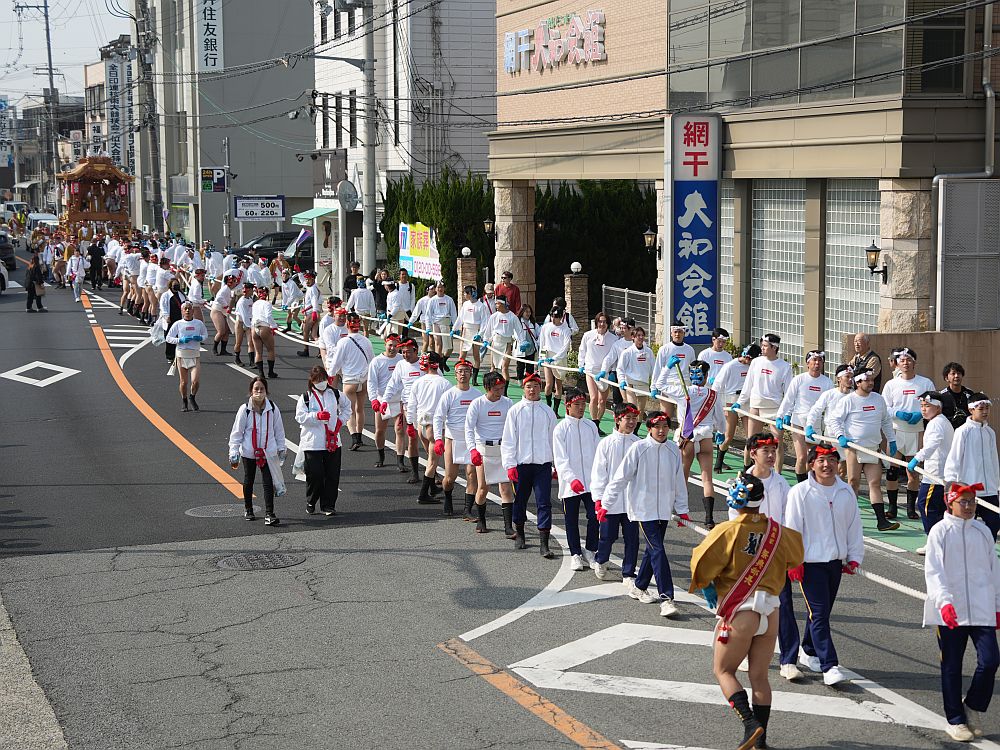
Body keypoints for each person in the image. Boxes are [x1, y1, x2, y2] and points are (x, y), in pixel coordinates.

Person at [688, 472, 804, 750]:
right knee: (760, 677)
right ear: (761, 499)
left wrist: (707, 585)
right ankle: (760, 742)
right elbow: (796, 555)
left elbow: (701, 564)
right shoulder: (779, 532)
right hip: (771, 611)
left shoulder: (728, 530)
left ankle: (750, 724)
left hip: (742, 610)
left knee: (723, 671)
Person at [923, 482, 1000, 743]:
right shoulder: (940, 531)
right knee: (951, 665)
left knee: (990, 660)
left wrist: (997, 606)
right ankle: (955, 719)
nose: (969, 507)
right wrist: (944, 602)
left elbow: (994, 570)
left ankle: (973, 705)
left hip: (981, 608)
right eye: (963, 502)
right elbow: (934, 572)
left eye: (972, 502)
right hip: (951, 610)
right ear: (950, 502)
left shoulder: (983, 532)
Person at [783, 444, 864, 686]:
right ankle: (830, 665)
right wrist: (793, 560)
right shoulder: (800, 492)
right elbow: (792, 527)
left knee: (821, 612)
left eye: (831, 460)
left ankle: (809, 650)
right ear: (811, 464)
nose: (827, 465)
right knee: (819, 614)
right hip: (810, 563)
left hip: (834, 562)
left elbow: (854, 525)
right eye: (821, 460)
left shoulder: (846, 492)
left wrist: (854, 556)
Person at [728, 433, 800, 684]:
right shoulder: (741, 482)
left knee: (784, 606)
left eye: (773, 451)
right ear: (752, 453)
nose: (770, 456)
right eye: (765, 451)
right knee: (749, 608)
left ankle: (789, 660)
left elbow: (790, 518)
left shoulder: (781, 483)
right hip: (750, 555)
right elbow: (734, 520)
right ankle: (745, 652)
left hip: (776, 554)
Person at [603, 411, 690, 618]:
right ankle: (667, 598)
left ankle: (640, 585)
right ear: (649, 428)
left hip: (663, 510)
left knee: (653, 551)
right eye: (657, 426)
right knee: (658, 550)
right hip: (643, 510)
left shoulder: (673, 449)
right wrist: (606, 503)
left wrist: (682, 509)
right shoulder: (639, 448)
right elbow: (621, 477)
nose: (661, 431)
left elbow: (679, 480)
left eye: (665, 426)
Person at [827, 369, 899, 531]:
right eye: (867, 380)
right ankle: (848, 520)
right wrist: (840, 436)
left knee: (874, 483)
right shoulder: (848, 400)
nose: (871, 383)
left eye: (872, 380)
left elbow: (886, 421)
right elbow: (834, 419)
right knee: (853, 482)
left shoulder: (878, 399)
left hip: (873, 448)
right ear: (858, 382)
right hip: (854, 448)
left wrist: (892, 439)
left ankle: (881, 521)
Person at [502, 372, 558, 550]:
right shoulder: (515, 411)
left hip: (543, 465)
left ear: (540, 388)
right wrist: (510, 464)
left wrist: (556, 464)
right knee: (520, 501)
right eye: (528, 386)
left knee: (544, 502)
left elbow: (554, 440)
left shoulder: (548, 412)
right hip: (522, 465)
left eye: (535, 386)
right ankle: (520, 533)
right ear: (523, 388)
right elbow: (509, 439)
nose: (532, 390)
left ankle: (544, 543)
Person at [881, 347, 936, 520]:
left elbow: (934, 403)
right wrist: (897, 413)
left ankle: (911, 508)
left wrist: (921, 414)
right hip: (896, 431)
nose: (905, 363)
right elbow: (884, 407)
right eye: (902, 360)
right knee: (892, 471)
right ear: (897, 363)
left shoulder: (925, 383)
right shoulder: (891, 385)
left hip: (916, 431)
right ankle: (892, 508)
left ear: (914, 362)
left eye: (909, 360)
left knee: (913, 472)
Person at [592, 402, 642, 586]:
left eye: (634, 418)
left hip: (631, 502)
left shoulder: (639, 444)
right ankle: (601, 559)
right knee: (608, 537)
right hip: (610, 502)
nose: (632, 422)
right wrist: (599, 499)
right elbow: (599, 473)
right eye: (628, 418)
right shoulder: (606, 444)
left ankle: (628, 573)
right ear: (617, 419)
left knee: (632, 540)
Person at [551, 386, 601, 568]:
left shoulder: (591, 426)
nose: (581, 408)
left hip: (591, 483)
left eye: (583, 404)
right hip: (570, 484)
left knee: (594, 516)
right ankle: (575, 554)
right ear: (567, 406)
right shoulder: (560, 429)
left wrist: (599, 479)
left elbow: (599, 455)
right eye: (577, 404)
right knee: (571, 519)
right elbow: (560, 459)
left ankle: (591, 550)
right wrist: (571, 479)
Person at [228, 377, 287, 526]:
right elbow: (237, 433)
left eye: (262, 389)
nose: (259, 392)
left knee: (268, 481)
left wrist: (281, 448)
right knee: (249, 479)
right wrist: (233, 451)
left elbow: (279, 430)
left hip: (268, 452)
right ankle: (248, 509)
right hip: (249, 452)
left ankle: (269, 513)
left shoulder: (272, 408)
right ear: (251, 391)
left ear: (266, 391)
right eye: (256, 389)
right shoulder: (245, 410)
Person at [294, 365, 352, 516]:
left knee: (332, 475)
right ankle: (311, 501)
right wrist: (316, 416)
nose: (321, 382)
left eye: (323, 379)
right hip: (312, 443)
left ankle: (328, 505)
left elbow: (348, 407)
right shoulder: (306, 398)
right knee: (315, 474)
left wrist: (340, 421)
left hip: (332, 441)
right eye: (317, 380)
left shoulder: (335, 394)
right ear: (312, 381)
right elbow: (300, 417)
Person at [676, 360, 725, 528]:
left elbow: (660, 384)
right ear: (706, 375)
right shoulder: (713, 394)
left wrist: (668, 368)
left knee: (683, 476)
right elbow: (720, 419)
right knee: (707, 479)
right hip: (706, 438)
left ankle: (682, 512)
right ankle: (709, 518)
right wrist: (721, 432)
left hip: (687, 438)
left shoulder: (683, 391)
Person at [944, 393, 1000, 540]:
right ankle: (964, 549)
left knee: (994, 523)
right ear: (971, 410)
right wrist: (951, 484)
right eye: (981, 409)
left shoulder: (990, 432)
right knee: (966, 524)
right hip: (969, 489)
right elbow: (954, 458)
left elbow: (994, 460)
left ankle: (987, 549)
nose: (985, 412)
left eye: (987, 408)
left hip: (989, 490)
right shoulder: (962, 431)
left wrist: (997, 485)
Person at [464, 371, 514, 534]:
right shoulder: (477, 404)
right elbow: (468, 428)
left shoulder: (508, 403)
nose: (500, 391)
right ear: (487, 387)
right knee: (483, 488)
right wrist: (472, 450)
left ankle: (508, 527)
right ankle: (482, 520)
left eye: (502, 388)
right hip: (483, 451)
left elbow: (514, 428)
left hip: (502, 450)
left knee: (505, 489)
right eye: (496, 389)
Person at [733, 334, 792, 471]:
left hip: (775, 409)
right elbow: (748, 385)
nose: (762, 348)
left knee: (777, 443)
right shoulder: (756, 362)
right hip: (756, 406)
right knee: (751, 441)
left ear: (774, 348)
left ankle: (777, 474)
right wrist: (740, 402)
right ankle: (747, 470)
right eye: (762, 345)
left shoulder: (784, 366)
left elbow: (789, 393)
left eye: (765, 346)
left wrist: (786, 413)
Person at [432, 358, 482, 517]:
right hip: (453, 439)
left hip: (472, 440)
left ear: (471, 374)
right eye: (460, 371)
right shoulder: (449, 394)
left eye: (466, 371)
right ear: (455, 374)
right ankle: (448, 497)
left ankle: (467, 510)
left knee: (472, 474)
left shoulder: (477, 395)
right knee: (449, 477)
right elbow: (438, 417)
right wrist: (438, 439)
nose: (463, 374)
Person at [909, 391, 955, 553]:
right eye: (922, 406)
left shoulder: (937, 423)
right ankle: (941, 541)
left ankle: (933, 540)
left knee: (926, 506)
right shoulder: (940, 421)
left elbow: (932, 445)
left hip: (935, 475)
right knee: (939, 509)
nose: (923, 409)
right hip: (939, 474)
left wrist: (917, 458)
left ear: (938, 407)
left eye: (927, 406)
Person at [777, 350, 833, 483]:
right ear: (808, 363)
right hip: (798, 421)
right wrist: (781, 415)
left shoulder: (827, 382)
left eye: (820, 361)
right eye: (814, 360)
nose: (817, 363)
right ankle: (800, 485)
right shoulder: (799, 379)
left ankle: (807, 482)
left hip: (815, 424)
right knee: (801, 457)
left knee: (811, 459)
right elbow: (788, 399)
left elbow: (830, 406)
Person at [407, 351, 453, 504]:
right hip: (435, 427)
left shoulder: (418, 382)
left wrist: (410, 424)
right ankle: (423, 495)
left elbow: (411, 405)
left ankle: (432, 488)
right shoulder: (444, 383)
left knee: (430, 459)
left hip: (421, 424)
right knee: (432, 462)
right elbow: (450, 407)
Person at [326, 312, 374, 450]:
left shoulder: (343, 342)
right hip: (363, 379)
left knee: (349, 410)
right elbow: (372, 361)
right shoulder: (366, 341)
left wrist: (330, 374)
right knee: (360, 409)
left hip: (350, 380)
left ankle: (354, 438)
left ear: (347, 324)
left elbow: (336, 363)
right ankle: (360, 436)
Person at [380, 338, 423, 481]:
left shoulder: (425, 364)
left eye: (408, 352)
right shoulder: (401, 365)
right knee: (412, 440)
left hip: (425, 408)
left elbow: (438, 381)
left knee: (428, 441)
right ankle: (415, 473)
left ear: (416, 351)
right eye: (403, 352)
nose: (405, 355)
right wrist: (385, 400)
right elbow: (392, 384)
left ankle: (432, 472)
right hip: (408, 407)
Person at [712, 344, 759, 472]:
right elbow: (717, 385)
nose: (749, 362)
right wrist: (716, 404)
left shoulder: (754, 367)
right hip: (731, 401)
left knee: (751, 437)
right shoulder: (730, 366)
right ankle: (719, 461)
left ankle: (747, 467)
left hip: (747, 401)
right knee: (728, 436)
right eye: (748, 358)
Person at [368, 332, 405, 469]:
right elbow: (371, 382)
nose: (392, 348)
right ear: (385, 344)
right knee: (379, 431)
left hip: (398, 400)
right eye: (390, 345)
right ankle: (381, 456)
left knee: (399, 430)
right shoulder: (377, 361)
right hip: (382, 400)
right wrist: (373, 400)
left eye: (396, 346)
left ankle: (400, 461)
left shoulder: (402, 360)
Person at [579, 311, 620, 430]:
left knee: (602, 401)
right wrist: (581, 365)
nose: (602, 324)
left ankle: (597, 423)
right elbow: (582, 350)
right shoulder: (588, 335)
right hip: (590, 370)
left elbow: (614, 356)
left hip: (604, 372)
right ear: (596, 322)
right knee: (593, 398)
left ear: (608, 324)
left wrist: (612, 371)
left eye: (604, 322)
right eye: (600, 321)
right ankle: (594, 423)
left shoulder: (614, 339)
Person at [165, 301, 208, 412]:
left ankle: (192, 397)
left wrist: (200, 338)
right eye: (185, 309)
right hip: (182, 355)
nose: (188, 310)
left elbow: (205, 335)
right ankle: (184, 400)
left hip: (195, 355)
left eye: (189, 308)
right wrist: (180, 340)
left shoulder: (198, 323)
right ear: (182, 311)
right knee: (183, 382)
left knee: (195, 381)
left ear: (193, 311)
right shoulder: (178, 324)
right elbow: (168, 338)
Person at [650, 322, 696, 422]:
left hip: (684, 386)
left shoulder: (689, 349)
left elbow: (692, 369)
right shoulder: (664, 349)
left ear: (684, 333)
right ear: (671, 333)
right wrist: (653, 387)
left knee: (684, 418)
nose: (677, 334)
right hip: (668, 385)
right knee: (665, 418)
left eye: (680, 332)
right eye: (675, 332)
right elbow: (657, 369)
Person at [614, 325, 654, 426]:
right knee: (633, 409)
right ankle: (627, 428)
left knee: (640, 410)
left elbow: (654, 369)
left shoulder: (648, 351)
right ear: (633, 337)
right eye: (638, 335)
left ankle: (635, 430)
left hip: (643, 383)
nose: (640, 337)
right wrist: (622, 381)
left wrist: (654, 385)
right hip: (631, 383)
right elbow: (620, 368)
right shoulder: (627, 352)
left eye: (642, 335)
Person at [538, 306, 572, 416]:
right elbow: (542, 343)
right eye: (552, 316)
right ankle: (548, 408)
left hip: (560, 359)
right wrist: (541, 357)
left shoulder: (566, 330)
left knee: (558, 384)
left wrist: (555, 358)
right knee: (548, 384)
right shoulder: (546, 327)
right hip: (547, 357)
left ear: (561, 317)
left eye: (556, 316)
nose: (554, 318)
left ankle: (555, 410)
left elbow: (565, 347)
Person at [481, 295, 519, 387]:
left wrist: (522, 342)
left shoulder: (512, 317)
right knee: (493, 367)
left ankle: (504, 391)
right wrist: (486, 340)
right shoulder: (494, 316)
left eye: (498, 304)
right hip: (495, 343)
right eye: (495, 304)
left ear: (503, 304)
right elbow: (488, 330)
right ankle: (491, 387)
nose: (496, 306)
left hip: (507, 344)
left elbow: (519, 331)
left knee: (504, 368)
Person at [457, 285, 488, 384]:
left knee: (476, 355)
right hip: (466, 330)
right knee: (462, 354)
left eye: (466, 293)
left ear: (471, 294)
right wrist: (454, 329)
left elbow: (484, 322)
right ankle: (460, 374)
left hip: (476, 331)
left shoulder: (481, 306)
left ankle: (474, 379)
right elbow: (460, 318)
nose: (464, 295)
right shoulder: (465, 304)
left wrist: (480, 334)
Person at [250, 285, 279, 379]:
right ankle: (270, 372)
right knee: (270, 350)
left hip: (254, 327)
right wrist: (273, 326)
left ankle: (261, 373)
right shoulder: (267, 304)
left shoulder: (255, 303)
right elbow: (268, 316)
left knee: (258, 352)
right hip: (264, 326)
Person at [426, 280, 458, 359]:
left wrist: (455, 327)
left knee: (449, 348)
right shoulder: (432, 300)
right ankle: (438, 362)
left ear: (444, 288)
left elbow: (453, 314)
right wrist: (428, 327)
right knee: (438, 344)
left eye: (442, 287)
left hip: (446, 323)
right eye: (438, 287)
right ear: (435, 289)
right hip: (436, 323)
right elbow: (428, 315)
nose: (440, 289)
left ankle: (443, 360)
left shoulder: (449, 299)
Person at [939, 362, 976, 430]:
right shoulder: (942, 395)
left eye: (959, 373)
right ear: (946, 378)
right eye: (953, 373)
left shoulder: (970, 393)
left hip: (968, 430)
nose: (956, 376)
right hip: (949, 430)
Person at [210, 274, 237, 356]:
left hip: (222, 311)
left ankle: (223, 350)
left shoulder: (229, 290)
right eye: (234, 281)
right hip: (217, 311)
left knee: (226, 331)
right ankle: (214, 348)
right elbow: (219, 298)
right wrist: (226, 306)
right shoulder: (225, 289)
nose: (236, 283)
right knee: (221, 331)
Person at [297, 270, 323, 357]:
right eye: (306, 279)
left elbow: (314, 301)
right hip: (313, 312)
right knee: (314, 334)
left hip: (311, 313)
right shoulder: (311, 286)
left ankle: (306, 350)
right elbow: (303, 283)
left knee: (305, 331)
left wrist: (314, 311)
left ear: (313, 279)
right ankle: (321, 351)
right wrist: (299, 273)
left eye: (308, 279)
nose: (307, 281)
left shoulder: (313, 289)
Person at [232, 282, 257, 368]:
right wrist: (250, 326)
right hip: (241, 323)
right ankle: (237, 358)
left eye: (246, 289)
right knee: (238, 342)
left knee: (251, 342)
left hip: (249, 322)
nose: (244, 291)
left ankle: (252, 362)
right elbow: (244, 316)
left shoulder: (250, 299)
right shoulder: (241, 302)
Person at [514, 304, 540, 384]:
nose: (528, 313)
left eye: (529, 312)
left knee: (530, 367)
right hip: (521, 348)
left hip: (531, 349)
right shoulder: (518, 322)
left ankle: (528, 381)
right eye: (526, 312)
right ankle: (520, 381)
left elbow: (539, 333)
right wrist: (522, 342)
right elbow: (515, 334)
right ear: (522, 312)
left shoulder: (533, 323)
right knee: (520, 366)